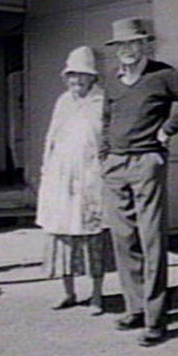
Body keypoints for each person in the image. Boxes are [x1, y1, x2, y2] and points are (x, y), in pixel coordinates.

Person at [100, 18, 178, 346]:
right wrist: (105, 154)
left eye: (133, 43)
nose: (126, 50)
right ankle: (134, 308)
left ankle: (154, 318)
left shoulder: (163, 75)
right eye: (121, 45)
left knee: (150, 240)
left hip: (147, 162)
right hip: (115, 166)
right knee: (123, 239)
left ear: (145, 45)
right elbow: (107, 118)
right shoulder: (112, 80)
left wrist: (168, 129)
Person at [36, 46, 116, 316]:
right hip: (61, 178)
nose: (77, 81)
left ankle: (96, 295)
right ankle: (68, 293)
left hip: (91, 176)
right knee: (63, 235)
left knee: (93, 236)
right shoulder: (63, 101)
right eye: (72, 76)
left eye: (82, 76)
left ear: (92, 78)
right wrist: (46, 170)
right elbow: (52, 137)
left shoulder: (102, 101)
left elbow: (108, 140)